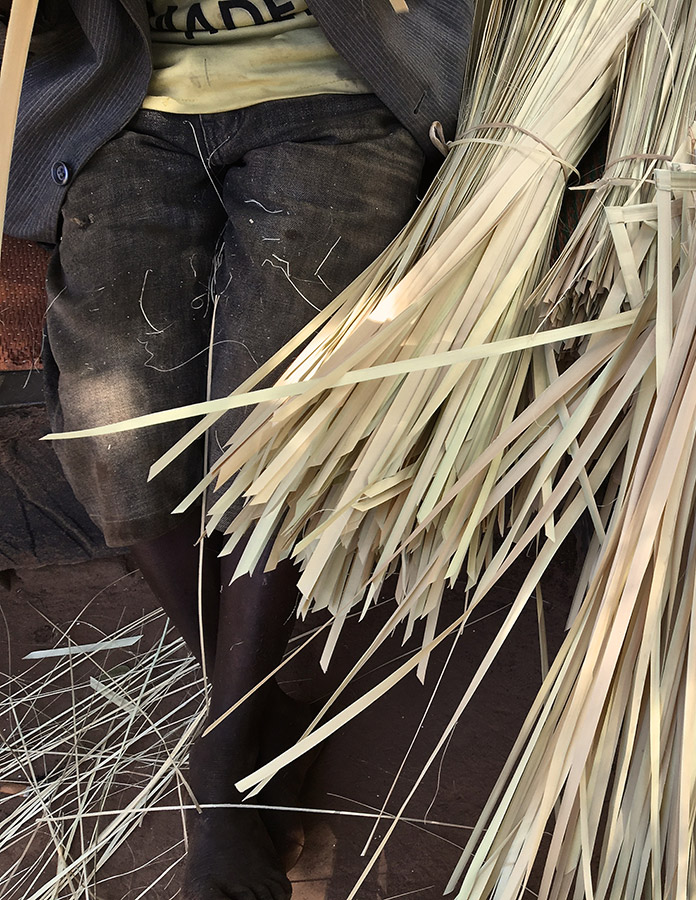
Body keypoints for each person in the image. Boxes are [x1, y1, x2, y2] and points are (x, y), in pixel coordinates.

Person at [1, 1, 472, 897]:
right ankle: (252, 713)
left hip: (336, 90)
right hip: (129, 104)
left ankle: (224, 770)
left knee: (276, 429)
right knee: (114, 437)